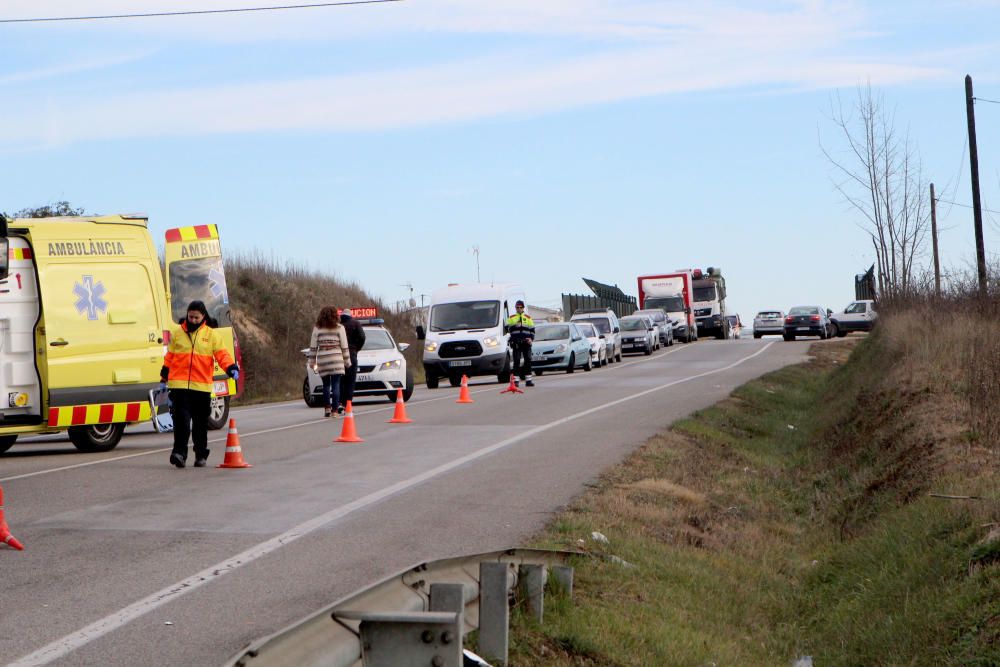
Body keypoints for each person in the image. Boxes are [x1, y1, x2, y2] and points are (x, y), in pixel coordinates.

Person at [161, 300, 239, 468]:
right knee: (181, 422)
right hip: (179, 386)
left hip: (201, 387)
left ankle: (200, 454)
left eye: (196, 317)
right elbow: (170, 357)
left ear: (203, 317)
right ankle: (179, 454)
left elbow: (222, 355)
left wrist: (231, 368)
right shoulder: (177, 334)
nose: (193, 320)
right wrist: (164, 376)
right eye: (191, 317)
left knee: (200, 424)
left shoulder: (211, 335)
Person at [309, 306, 351, 418]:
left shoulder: (317, 328)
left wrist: (312, 361)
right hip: (336, 360)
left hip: (323, 359)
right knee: (336, 385)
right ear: (335, 315)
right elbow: (344, 346)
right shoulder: (340, 328)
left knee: (326, 385)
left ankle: (327, 408)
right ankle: (335, 410)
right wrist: (347, 361)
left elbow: (313, 347)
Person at [338, 308, 366, 414]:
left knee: (340, 381)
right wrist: (356, 348)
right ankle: (348, 404)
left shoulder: (338, 325)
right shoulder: (356, 323)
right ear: (351, 315)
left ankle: (340, 403)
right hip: (351, 354)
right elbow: (362, 337)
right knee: (350, 381)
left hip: (339, 356)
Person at [505, 300, 535, 387]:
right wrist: (514, 325)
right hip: (516, 342)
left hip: (526, 342)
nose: (518, 309)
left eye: (520, 307)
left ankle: (528, 380)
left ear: (523, 308)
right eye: (517, 307)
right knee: (516, 361)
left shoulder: (528, 318)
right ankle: (516, 381)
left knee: (528, 361)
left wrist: (531, 339)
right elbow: (506, 328)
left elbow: (532, 330)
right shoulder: (512, 317)